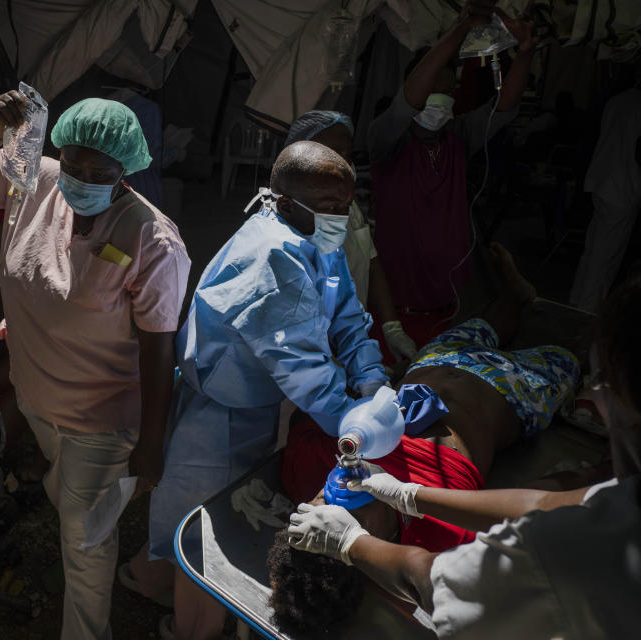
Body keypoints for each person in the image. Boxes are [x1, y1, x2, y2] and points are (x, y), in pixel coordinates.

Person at [285, 276, 641, 638]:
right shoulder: (443, 535)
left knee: (486, 324)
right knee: (569, 355)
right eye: (343, 514)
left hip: (438, 360)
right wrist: (598, 472)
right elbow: (542, 505)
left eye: (320, 501)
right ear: (376, 542)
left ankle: (515, 293)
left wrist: (403, 487)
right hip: (515, 388)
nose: (334, 493)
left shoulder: (321, 464)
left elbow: (304, 419)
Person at [131, 141, 389, 639]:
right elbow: (307, 371)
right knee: (202, 533)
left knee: (220, 514)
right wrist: (360, 426)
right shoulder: (277, 257)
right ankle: (181, 622)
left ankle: (161, 585)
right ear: (287, 202)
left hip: (252, 399)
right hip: (220, 410)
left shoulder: (315, 237)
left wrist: (373, 381)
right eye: (332, 207)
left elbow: (349, 318)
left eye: (348, 205)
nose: (343, 217)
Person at [0, 93, 190, 640]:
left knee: (84, 541)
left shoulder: (150, 239)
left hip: (102, 417)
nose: (82, 178)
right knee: (71, 503)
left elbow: (160, 349)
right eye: (75, 163)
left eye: (100, 171)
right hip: (39, 398)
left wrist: (151, 444)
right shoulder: (36, 181)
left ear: (125, 170)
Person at [366, 0, 536, 346]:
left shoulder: (459, 136)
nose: (442, 97)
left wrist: (525, 53)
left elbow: (504, 108)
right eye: (434, 89)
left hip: (448, 302)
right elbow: (408, 102)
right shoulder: (387, 139)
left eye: (448, 90)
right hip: (395, 303)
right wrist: (459, 30)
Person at [285, 110, 417, 364]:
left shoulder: (348, 206)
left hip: (347, 335)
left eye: (346, 155)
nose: (341, 163)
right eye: (329, 153)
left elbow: (371, 260)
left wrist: (392, 328)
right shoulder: (289, 217)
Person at [569, 80, 641, 313]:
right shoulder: (633, 104)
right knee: (606, 253)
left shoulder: (618, 100)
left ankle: (579, 300)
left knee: (595, 248)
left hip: (602, 179)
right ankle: (587, 307)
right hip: (622, 185)